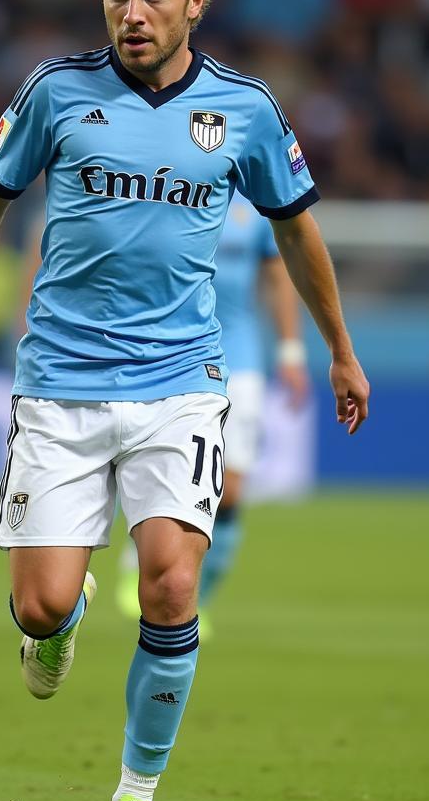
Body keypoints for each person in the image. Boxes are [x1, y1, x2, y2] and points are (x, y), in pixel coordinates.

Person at [0, 0, 369, 801]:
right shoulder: (55, 93)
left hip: (181, 382)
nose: (132, 13)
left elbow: (295, 230)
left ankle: (134, 795)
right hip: (61, 384)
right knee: (42, 604)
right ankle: (54, 627)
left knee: (168, 586)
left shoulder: (242, 111)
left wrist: (336, 348)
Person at [116, 193, 310, 632]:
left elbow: (278, 272)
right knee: (164, 471)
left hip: (239, 359)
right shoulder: (175, 183)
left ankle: (192, 598)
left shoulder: (256, 203)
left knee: (232, 492)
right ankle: (138, 566)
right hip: (174, 359)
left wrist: (291, 350)